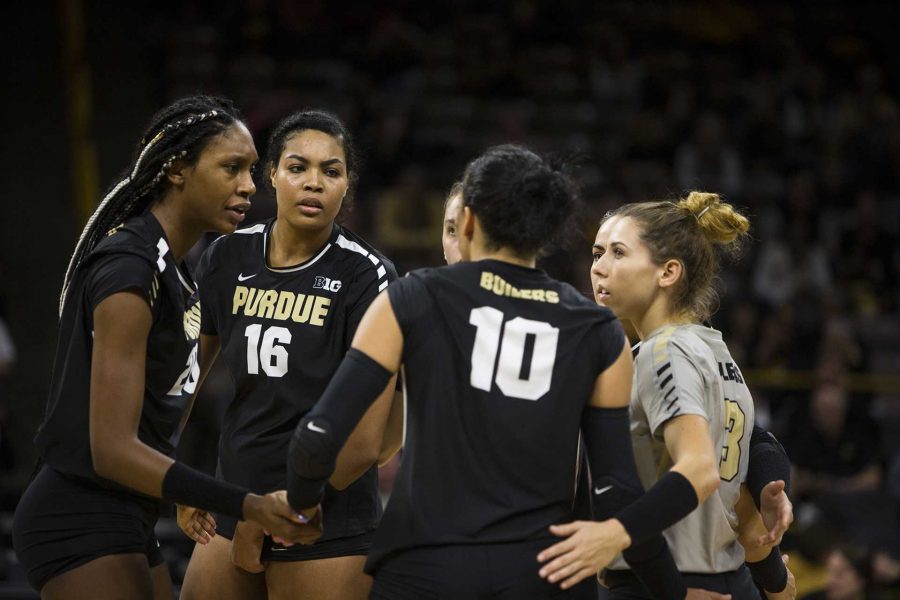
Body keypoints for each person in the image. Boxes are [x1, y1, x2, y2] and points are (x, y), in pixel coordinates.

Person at [285, 145, 741, 599]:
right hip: (544, 573)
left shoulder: (412, 297)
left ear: (467, 221)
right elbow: (615, 493)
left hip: (425, 567)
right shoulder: (598, 329)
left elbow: (318, 435)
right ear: (546, 233)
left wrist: (302, 507)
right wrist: (673, 593)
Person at [11, 95, 314, 600]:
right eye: (231, 168)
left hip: (127, 513)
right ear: (176, 170)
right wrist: (244, 503)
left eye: (252, 170)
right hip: (77, 514)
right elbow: (111, 449)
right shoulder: (130, 269)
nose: (248, 186)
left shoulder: (173, 270)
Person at [178, 109, 399, 600]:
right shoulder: (225, 255)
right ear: (271, 174)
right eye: (298, 167)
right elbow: (188, 375)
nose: (314, 183)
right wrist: (183, 482)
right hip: (233, 498)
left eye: (331, 171)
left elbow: (366, 443)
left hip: (325, 514)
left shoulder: (368, 277)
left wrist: (286, 509)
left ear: (348, 186)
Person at [546, 192, 792, 598]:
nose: (598, 269)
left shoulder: (665, 350)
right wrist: (774, 581)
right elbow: (753, 457)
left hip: (665, 580)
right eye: (596, 253)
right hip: (720, 575)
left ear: (668, 272)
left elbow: (699, 470)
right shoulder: (712, 347)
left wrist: (611, 535)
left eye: (618, 253)